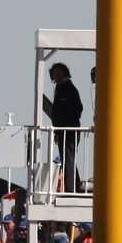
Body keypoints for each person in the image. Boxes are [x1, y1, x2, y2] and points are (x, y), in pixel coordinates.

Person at [43, 62, 84, 192]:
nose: (56, 75)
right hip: (63, 131)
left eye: (58, 72)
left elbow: (77, 108)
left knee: (68, 158)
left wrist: (64, 127)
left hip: (69, 131)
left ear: (64, 72)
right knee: (67, 159)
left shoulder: (68, 88)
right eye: (54, 73)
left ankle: (72, 188)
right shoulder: (61, 88)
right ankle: (74, 185)